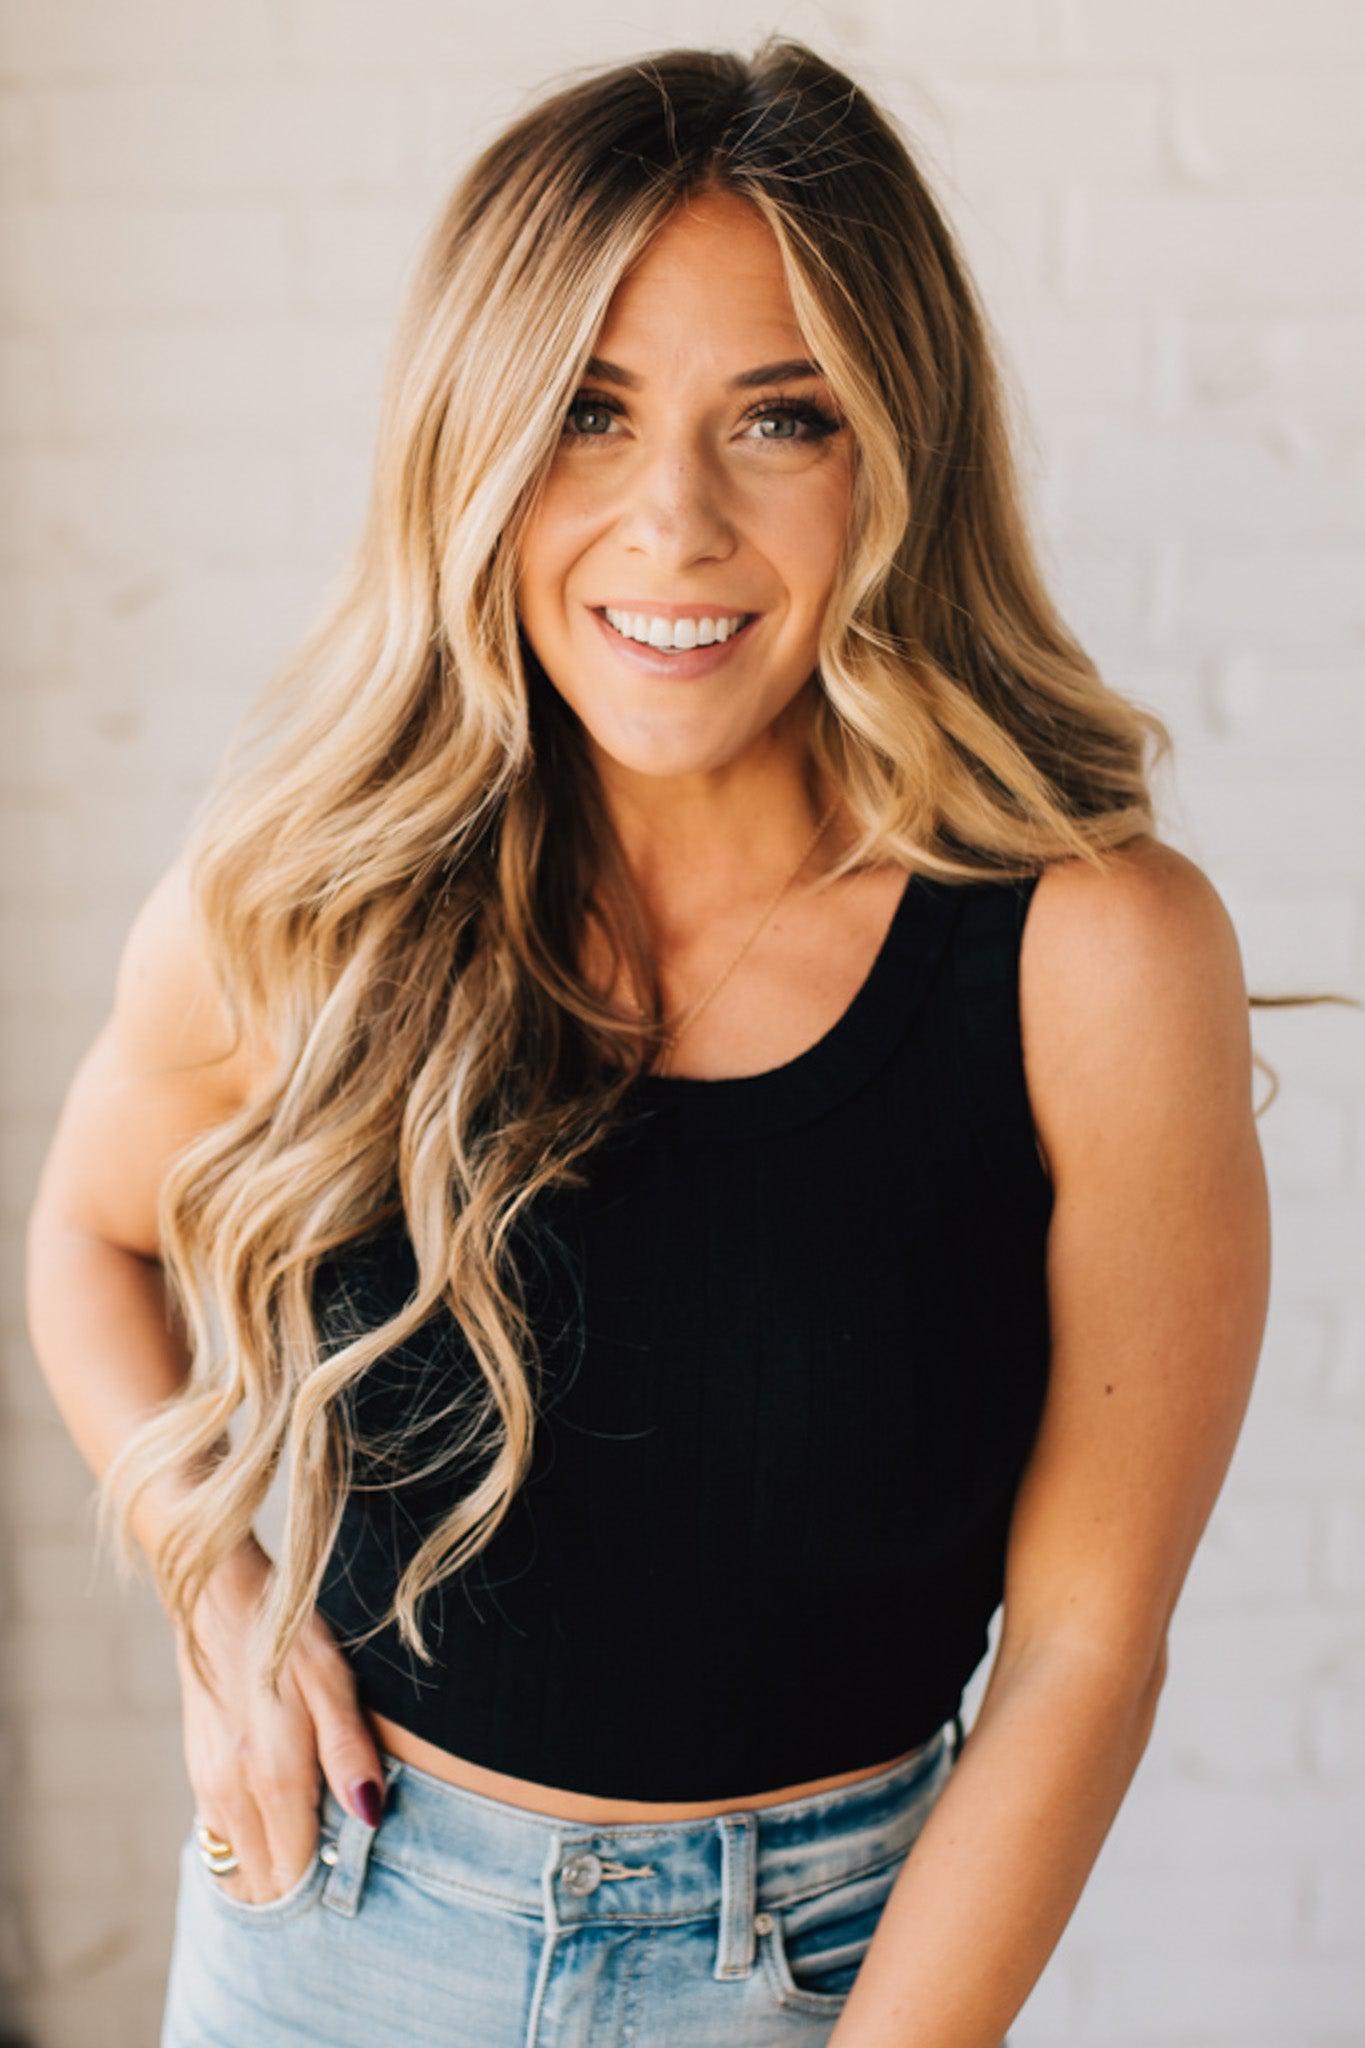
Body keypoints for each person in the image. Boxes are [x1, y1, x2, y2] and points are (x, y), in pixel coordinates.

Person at [26, 37, 1278, 2048]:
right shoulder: (316, 891)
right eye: (586, 415)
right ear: (473, 442)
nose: (672, 521)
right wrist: (220, 1600)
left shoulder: (1093, 960)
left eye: (777, 418)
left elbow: (1082, 1646)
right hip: (327, 1929)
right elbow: (88, 1237)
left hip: (816, 1973)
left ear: (894, 451)